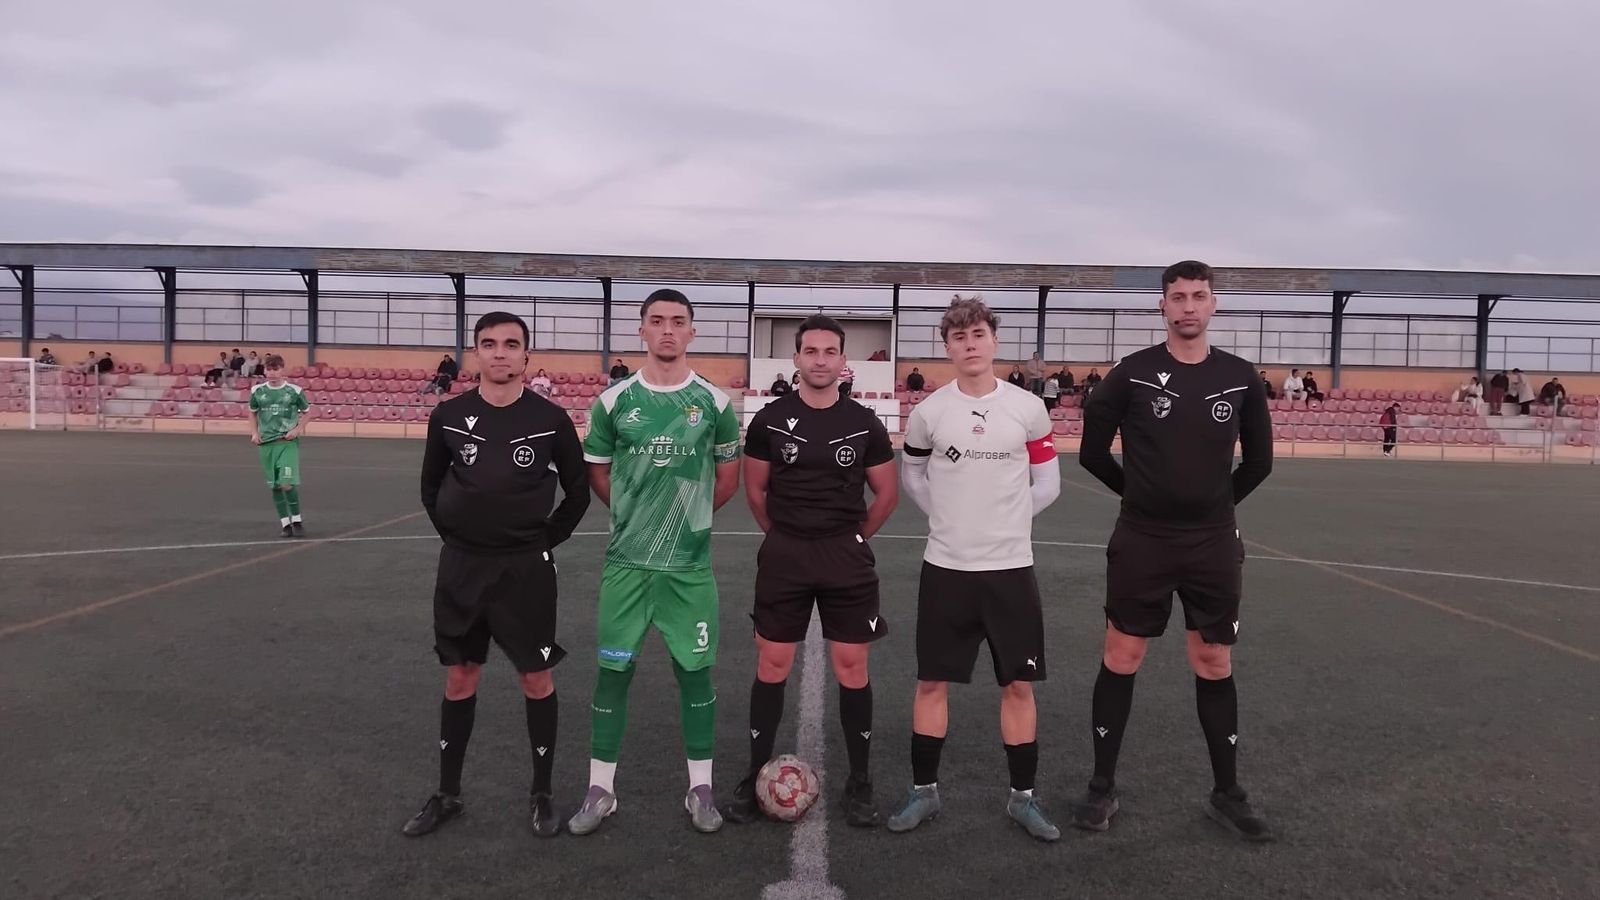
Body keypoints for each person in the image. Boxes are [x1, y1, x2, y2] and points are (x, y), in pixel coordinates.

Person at [1075, 260, 1275, 842]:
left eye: (1199, 297)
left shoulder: (1240, 377)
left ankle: (1227, 793)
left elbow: (1259, 463)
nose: (1188, 307)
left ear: (1213, 305)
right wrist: (1141, 498)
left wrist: (1215, 507)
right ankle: (1101, 787)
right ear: (1162, 306)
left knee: (1213, 661)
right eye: (1178, 297)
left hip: (1212, 542)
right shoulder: (1132, 374)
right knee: (1122, 656)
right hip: (1142, 539)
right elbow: (1092, 452)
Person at [403, 311, 591, 838]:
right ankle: (448, 794)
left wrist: (541, 542)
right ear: (477, 354)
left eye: (511, 344)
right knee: (461, 675)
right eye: (489, 344)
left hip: (526, 570)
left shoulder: (551, 420)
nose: (500, 352)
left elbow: (577, 495)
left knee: (535, 676)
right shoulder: (447, 415)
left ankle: (542, 794)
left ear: (527, 356)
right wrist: (460, 539)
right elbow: (430, 488)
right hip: (463, 567)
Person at [887, 295, 1063, 842]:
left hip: (1011, 569)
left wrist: (1006, 522)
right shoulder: (929, 412)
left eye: (979, 335)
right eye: (959, 337)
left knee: (1018, 685)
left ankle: (1023, 799)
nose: (970, 345)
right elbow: (912, 476)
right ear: (947, 347)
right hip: (947, 567)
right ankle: (924, 793)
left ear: (994, 341)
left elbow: (1048, 483)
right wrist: (949, 517)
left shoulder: (1028, 409)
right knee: (931, 680)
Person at [570, 288, 742, 835]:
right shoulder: (613, 402)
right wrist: (633, 513)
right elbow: (597, 471)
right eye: (657, 321)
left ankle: (700, 790)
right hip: (627, 564)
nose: (668, 330)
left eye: (678, 322)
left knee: (695, 674)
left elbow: (728, 479)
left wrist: (688, 519)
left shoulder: (714, 403)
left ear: (692, 332)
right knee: (612, 673)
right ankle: (601, 790)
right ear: (641, 331)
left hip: (689, 569)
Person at [724, 314, 898, 828]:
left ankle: (860, 782)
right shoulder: (769, 420)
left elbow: (885, 493)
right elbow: (756, 492)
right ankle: (755, 772)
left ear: (844, 362)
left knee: (852, 669)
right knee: (772, 665)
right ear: (796, 359)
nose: (820, 360)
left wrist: (857, 537)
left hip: (846, 558)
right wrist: (781, 536)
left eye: (830, 352)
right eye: (811, 351)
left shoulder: (864, 422)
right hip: (786, 557)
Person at [248, 354, 311, 537]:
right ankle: (285, 524)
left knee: (286, 484)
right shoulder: (257, 391)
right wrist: (254, 432)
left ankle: (297, 519)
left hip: (287, 443)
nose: (272, 373)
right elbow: (252, 412)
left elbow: (307, 413)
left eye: (276, 369)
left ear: (282, 370)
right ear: (264, 370)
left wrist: (297, 430)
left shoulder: (294, 391)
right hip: (266, 444)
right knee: (274, 486)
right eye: (269, 369)